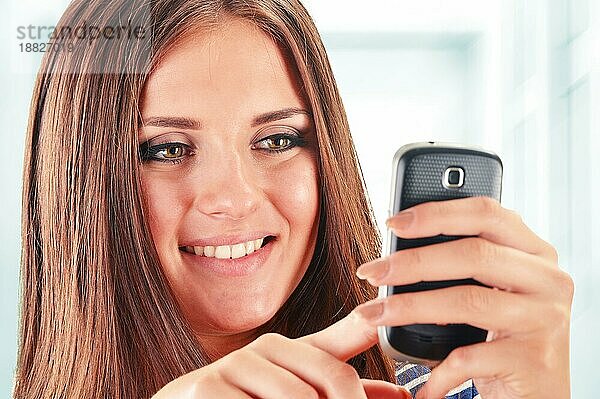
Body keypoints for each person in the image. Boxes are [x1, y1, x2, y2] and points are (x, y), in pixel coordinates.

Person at [14, 0, 574, 398]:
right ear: (80, 185)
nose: (233, 199)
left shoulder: (440, 388)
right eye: (164, 150)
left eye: (278, 140)